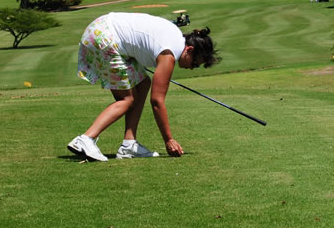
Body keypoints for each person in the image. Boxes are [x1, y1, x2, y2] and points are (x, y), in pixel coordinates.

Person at [68, 12, 220, 162]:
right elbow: (157, 101)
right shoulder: (169, 55)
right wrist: (168, 139)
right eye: (194, 63)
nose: (192, 68)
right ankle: (86, 139)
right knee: (126, 100)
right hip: (105, 37)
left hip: (100, 29)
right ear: (190, 50)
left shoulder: (176, 37)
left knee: (143, 84)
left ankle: (129, 144)